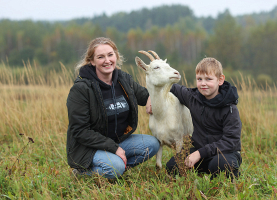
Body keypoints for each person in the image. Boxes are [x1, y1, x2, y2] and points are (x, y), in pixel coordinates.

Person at [66, 37, 160, 179]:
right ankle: (83, 173)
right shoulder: (81, 89)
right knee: (115, 168)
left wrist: (152, 97)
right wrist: (114, 148)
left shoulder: (124, 80)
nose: (107, 60)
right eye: (100, 57)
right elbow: (80, 131)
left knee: (152, 144)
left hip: (118, 141)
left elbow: (145, 95)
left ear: (116, 56)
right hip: (89, 148)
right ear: (92, 61)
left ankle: (116, 168)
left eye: (110, 55)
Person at [147, 57, 242, 179]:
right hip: (200, 152)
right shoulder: (193, 97)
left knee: (219, 164)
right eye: (199, 79)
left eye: (208, 79)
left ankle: (230, 175)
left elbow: (230, 141)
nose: (203, 83)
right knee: (172, 166)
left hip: (225, 153)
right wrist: (150, 99)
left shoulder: (230, 108)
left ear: (220, 80)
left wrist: (199, 153)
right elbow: (166, 85)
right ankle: (205, 172)